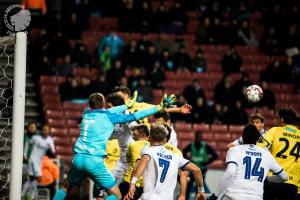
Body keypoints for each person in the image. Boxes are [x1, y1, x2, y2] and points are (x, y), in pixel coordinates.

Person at [53, 92, 177, 200]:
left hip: (78, 159)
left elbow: (106, 111)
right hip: (95, 161)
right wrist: (158, 107)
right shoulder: (109, 116)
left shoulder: (87, 113)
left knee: (65, 186)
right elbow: (136, 115)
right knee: (116, 195)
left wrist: (126, 105)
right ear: (103, 104)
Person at [125, 124, 206, 200]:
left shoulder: (147, 150)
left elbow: (143, 162)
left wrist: (132, 184)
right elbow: (197, 170)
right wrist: (201, 191)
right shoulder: (176, 156)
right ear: (164, 139)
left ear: (149, 137)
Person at [208, 124, 288, 200]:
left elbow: (230, 172)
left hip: (234, 196)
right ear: (257, 138)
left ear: (243, 137)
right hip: (256, 197)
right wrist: (266, 179)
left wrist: (215, 196)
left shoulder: (234, 150)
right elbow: (284, 177)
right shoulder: (266, 154)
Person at [258, 108, 299, 200]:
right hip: (292, 184)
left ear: (282, 120)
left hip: (274, 180)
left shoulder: (275, 130)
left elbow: (260, 146)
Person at [113, 86, 192, 127]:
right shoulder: (114, 110)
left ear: (126, 95)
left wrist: (179, 110)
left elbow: (160, 108)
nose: (116, 98)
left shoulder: (141, 106)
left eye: (118, 95)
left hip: (143, 139)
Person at [22, 124, 56, 199]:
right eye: (44, 129)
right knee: (38, 178)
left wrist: (51, 149)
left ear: (49, 131)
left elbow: (53, 153)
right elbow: (28, 143)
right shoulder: (35, 138)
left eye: (47, 130)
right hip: (33, 160)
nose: (45, 131)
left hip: (39, 161)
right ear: (41, 131)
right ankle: (29, 196)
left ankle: (26, 195)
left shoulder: (50, 140)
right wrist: (24, 154)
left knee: (32, 179)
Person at [183, 131, 218, 196]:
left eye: (200, 137)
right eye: (198, 137)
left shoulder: (205, 146)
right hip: (192, 170)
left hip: (202, 170)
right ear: (195, 137)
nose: (199, 138)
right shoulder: (191, 145)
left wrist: (206, 162)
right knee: (188, 188)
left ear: (202, 138)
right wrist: (187, 160)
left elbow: (215, 155)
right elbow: (184, 151)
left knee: (199, 189)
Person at [120, 124, 150, 200]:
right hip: (145, 184)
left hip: (129, 181)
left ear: (142, 134)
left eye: (135, 135)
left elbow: (128, 160)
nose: (133, 137)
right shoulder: (153, 146)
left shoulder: (132, 145)